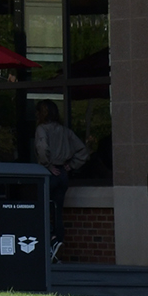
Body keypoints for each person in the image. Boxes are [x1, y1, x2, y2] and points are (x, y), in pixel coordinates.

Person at [34, 100, 89, 257]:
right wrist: (70, 165)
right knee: (58, 210)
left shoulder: (42, 129)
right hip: (62, 173)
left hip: (49, 172)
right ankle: (57, 241)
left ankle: (51, 240)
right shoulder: (65, 131)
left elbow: (42, 148)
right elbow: (82, 150)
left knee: (42, 208)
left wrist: (47, 165)